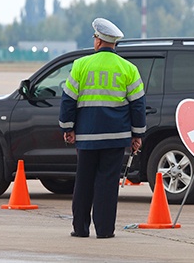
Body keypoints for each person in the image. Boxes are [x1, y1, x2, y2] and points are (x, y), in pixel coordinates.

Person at [59, 17, 146, 238]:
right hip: (116, 138)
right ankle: (105, 231)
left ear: (98, 41)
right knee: (107, 184)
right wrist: (137, 135)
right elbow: (138, 106)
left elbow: (68, 99)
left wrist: (68, 128)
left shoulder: (81, 65)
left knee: (84, 182)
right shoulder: (129, 69)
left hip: (87, 137)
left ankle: (80, 229)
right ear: (113, 43)